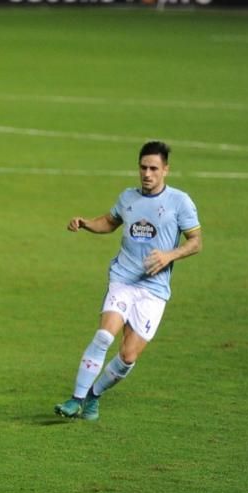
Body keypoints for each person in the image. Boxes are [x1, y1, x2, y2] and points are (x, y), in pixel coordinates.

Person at [54, 141, 202, 422]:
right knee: (104, 335)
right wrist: (85, 223)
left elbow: (196, 242)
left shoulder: (180, 202)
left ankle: (93, 396)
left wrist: (170, 255)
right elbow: (110, 222)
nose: (147, 174)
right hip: (123, 279)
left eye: (154, 168)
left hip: (154, 291)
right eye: (143, 167)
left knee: (128, 356)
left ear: (166, 170)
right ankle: (75, 399)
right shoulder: (128, 198)